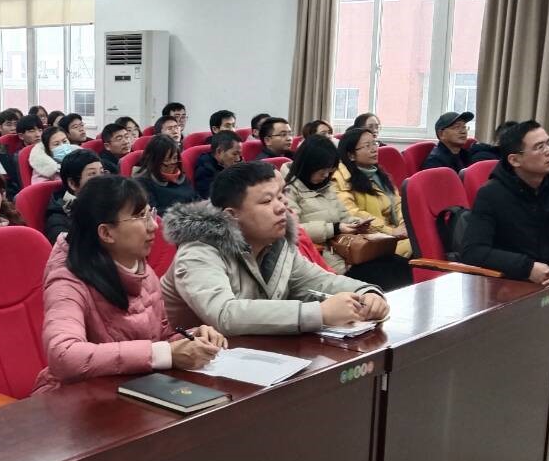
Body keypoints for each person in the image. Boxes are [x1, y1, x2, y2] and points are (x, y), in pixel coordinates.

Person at [33, 175, 225, 394]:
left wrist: (190, 338)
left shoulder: (139, 267)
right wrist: (164, 353)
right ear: (106, 232)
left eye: (150, 213)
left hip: (134, 389)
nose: (154, 225)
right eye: (140, 216)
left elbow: (160, 338)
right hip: (77, 400)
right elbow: (64, 355)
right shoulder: (66, 280)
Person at [162, 162, 389, 335]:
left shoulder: (274, 242)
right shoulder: (198, 250)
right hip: (191, 364)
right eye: (266, 201)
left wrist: (366, 293)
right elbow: (224, 315)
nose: (281, 207)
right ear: (231, 215)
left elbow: (319, 281)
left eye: (280, 197)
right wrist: (318, 313)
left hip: (250, 354)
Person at [460, 121, 549, 283]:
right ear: (515, 160)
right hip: (513, 281)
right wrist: (527, 268)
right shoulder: (492, 193)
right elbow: (473, 251)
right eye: (539, 147)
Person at [284, 137, 412, 289]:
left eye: (329, 171)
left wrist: (356, 224)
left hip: (348, 251)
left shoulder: (325, 186)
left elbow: (344, 216)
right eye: (322, 171)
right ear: (308, 166)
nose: (326, 176)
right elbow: (294, 231)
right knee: (388, 277)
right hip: (325, 259)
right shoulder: (290, 190)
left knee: (400, 265)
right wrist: (335, 228)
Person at [332, 128, 412, 257]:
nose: (374, 149)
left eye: (375, 143)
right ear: (351, 155)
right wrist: (391, 231)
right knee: (418, 245)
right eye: (367, 146)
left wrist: (404, 224)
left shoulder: (377, 173)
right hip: (370, 237)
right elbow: (352, 213)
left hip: (394, 231)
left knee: (425, 238)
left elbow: (398, 202)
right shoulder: (341, 177)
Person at [44, 149, 105, 244]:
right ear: (72, 183)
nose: (102, 180)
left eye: (102, 172)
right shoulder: (59, 220)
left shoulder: (106, 200)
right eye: (92, 174)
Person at [133, 135, 195, 213]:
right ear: (154, 161)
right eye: (167, 160)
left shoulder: (181, 176)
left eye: (175, 158)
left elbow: (196, 198)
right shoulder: (142, 182)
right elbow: (153, 212)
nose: (172, 163)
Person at [194, 130, 242, 200]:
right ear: (219, 151)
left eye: (240, 154)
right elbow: (211, 198)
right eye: (234, 154)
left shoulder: (239, 162)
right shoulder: (205, 170)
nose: (238, 159)